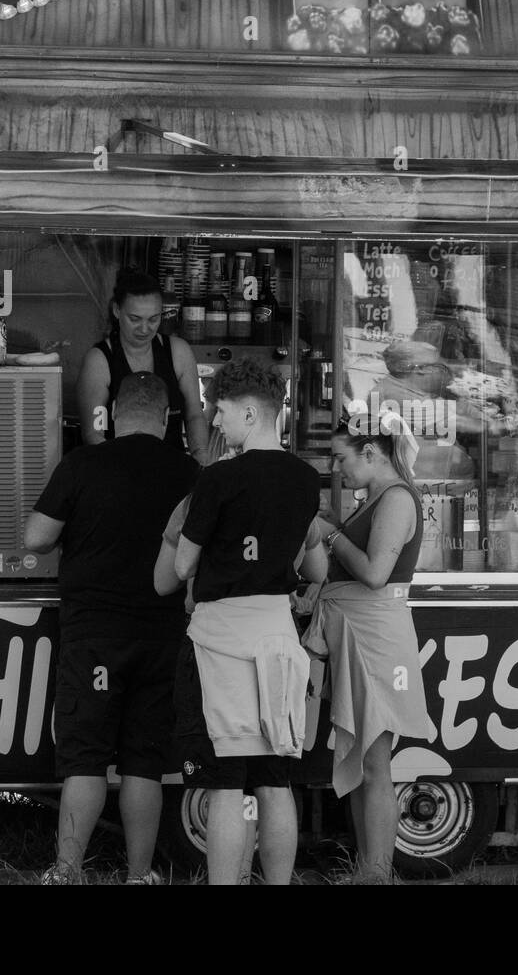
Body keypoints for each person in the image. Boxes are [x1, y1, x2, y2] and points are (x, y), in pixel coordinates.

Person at [153, 358, 326, 885]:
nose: (215, 422)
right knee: (275, 784)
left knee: (225, 787)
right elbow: (310, 564)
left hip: (219, 643)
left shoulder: (218, 478)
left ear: (250, 412)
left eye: (220, 411)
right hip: (278, 638)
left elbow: (181, 566)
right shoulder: (305, 479)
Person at [23, 371, 198, 885]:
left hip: (94, 636)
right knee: (144, 762)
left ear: (114, 415)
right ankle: (140, 875)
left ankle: (67, 871)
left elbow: (36, 537)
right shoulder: (190, 472)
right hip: (164, 636)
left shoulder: (83, 463)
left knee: (87, 759)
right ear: (166, 418)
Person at [305, 410, 430, 882]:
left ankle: (376, 874)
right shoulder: (374, 496)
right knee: (360, 757)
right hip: (358, 632)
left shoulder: (396, 497)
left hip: (375, 637)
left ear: (372, 453)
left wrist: (333, 533)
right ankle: (367, 870)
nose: (338, 469)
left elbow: (376, 573)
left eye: (341, 459)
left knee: (375, 762)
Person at [77, 267, 210, 462]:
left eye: (153, 319)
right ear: (116, 310)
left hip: (172, 467)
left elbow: (194, 415)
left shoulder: (178, 352)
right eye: (135, 319)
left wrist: (200, 456)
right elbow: (95, 431)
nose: (145, 328)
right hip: (117, 468)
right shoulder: (99, 361)